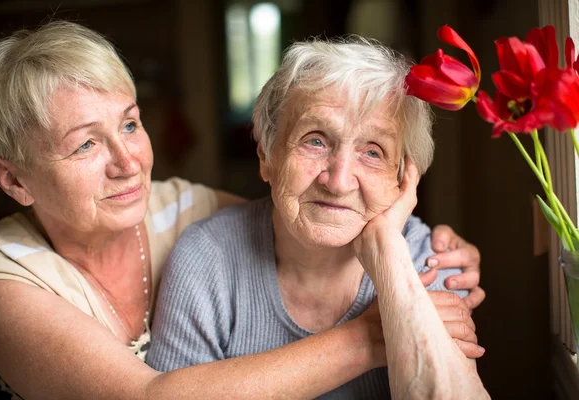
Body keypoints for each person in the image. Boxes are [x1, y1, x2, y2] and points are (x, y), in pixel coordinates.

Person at [0, 21, 483, 400]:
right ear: (14, 180)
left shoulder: (181, 207)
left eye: (131, 125)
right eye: (86, 144)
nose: (129, 162)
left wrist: (400, 245)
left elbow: (305, 215)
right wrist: (380, 331)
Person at [147, 37, 489, 398]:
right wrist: (373, 336)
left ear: (404, 178)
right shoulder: (206, 258)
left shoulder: (428, 264)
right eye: (315, 141)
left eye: (373, 152)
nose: (339, 181)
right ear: (267, 155)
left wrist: (390, 257)